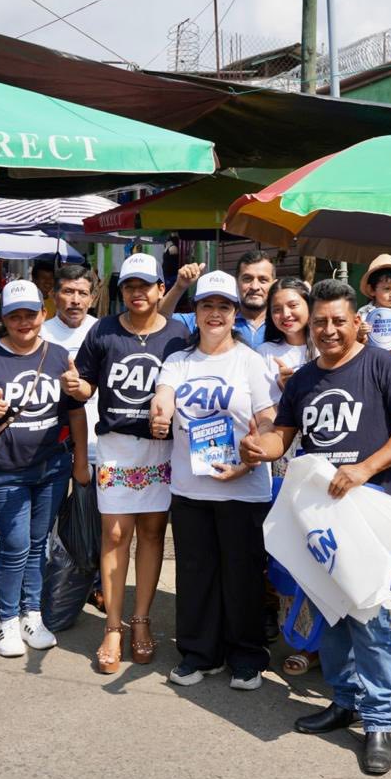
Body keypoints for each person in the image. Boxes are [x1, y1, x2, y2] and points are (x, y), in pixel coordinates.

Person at [240, 279, 391, 777]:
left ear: (356, 322)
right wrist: (259, 447)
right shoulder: (303, 379)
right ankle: (344, 701)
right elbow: (284, 436)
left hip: (368, 509)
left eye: (338, 321)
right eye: (320, 321)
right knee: (330, 609)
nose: (328, 330)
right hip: (319, 514)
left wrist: (365, 468)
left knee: (368, 617)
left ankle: (380, 720)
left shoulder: (381, 366)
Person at [150, 271, 277, 690]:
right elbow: (164, 394)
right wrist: (160, 412)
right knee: (195, 573)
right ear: (197, 311)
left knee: (242, 575)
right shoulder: (179, 360)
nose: (215, 313)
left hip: (243, 487)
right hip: (191, 487)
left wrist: (253, 454)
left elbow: (267, 417)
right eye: (208, 305)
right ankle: (200, 653)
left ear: (235, 313)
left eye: (224, 306)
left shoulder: (250, 361)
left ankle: (246, 655)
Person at [62, 253, 189, 674]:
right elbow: (85, 389)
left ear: (159, 288)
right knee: (115, 534)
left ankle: (141, 621)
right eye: (129, 286)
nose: (137, 293)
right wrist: (77, 387)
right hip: (115, 447)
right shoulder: (103, 330)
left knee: (152, 534)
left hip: (161, 450)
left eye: (145, 285)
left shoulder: (178, 333)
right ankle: (113, 627)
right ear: (121, 292)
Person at [0, 280, 89, 658]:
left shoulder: (58, 356)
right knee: (15, 545)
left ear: (43, 314)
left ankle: (33, 614)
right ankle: (8, 619)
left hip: (51, 467)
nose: (24, 322)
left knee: (37, 544)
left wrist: (79, 461)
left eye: (30, 314)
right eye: (15, 316)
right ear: (4, 319)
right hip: (3, 470)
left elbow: (76, 411)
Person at [256, 276, 319, 677]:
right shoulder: (264, 353)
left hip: (326, 456)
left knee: (323, 547)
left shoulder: (328, 346)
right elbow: (261, 412)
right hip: (283, 458)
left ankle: (323, 642)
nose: (285, 314)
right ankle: (298, 637)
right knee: (289, 550)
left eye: (293, 305)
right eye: (277, 308)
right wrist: (286, 394)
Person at [40, 264, 101, 465]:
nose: (75, 300)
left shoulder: (104, 332)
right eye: (68, 292)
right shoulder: (39, 334)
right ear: (53, 295)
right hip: (51, 446)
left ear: (92, 298)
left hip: (100, 445)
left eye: (83, 293)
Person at [160, 250, 275, 348]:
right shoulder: (206, 319)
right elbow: (160, 318)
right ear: (237, 282)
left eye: (263, 280)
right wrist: (179, 287)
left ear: (274, 284)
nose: (254, 287)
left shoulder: (281, 322)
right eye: (247, 279)